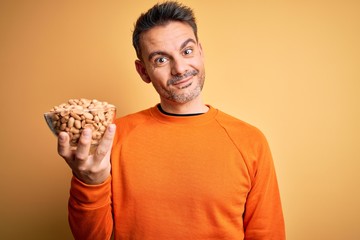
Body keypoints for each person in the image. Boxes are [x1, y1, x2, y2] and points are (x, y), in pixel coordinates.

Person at [57, 1, 286, 239]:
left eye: (187, 52)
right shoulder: (113, 138)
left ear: (201, 51)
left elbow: (267, 234)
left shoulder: (250, 141)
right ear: (143, 71)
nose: (179, 68)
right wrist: (88, 181)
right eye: (161, 60)